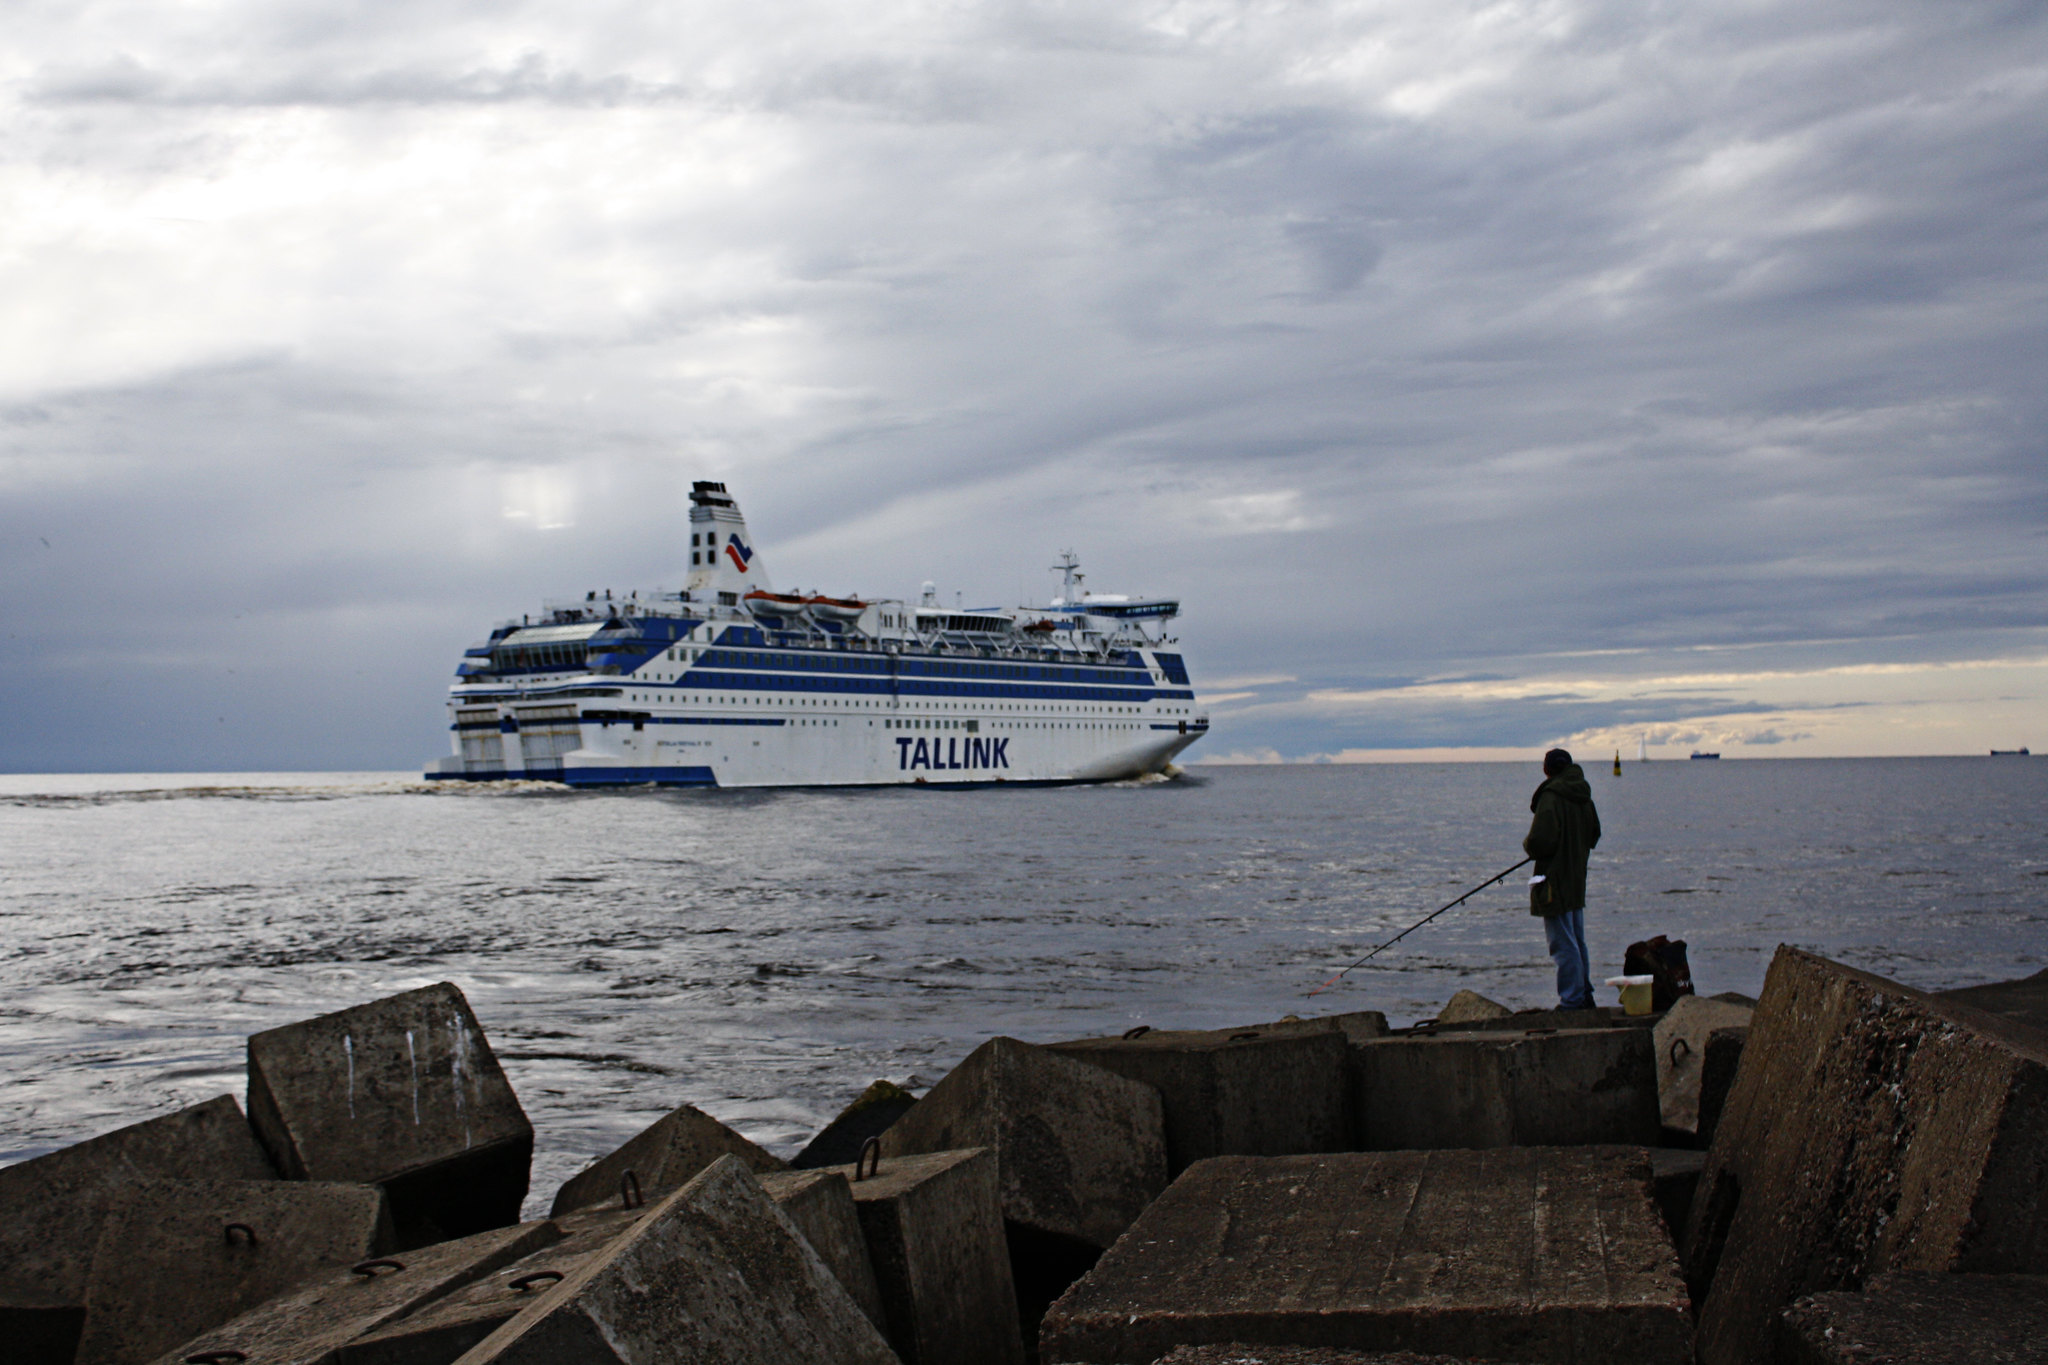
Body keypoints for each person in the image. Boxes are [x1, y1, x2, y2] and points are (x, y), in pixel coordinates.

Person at [1524, 747, 1602, 1010]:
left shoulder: (1552, 796)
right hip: (1576, 879)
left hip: (1554, 881)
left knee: (1562, 943)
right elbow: (1594, 835)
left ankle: (1571, 1000)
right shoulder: (1583, 795)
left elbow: (1539, 841)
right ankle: (1584, 993)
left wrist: (1529, 846)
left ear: (1547, 770)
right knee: (1577, 939)